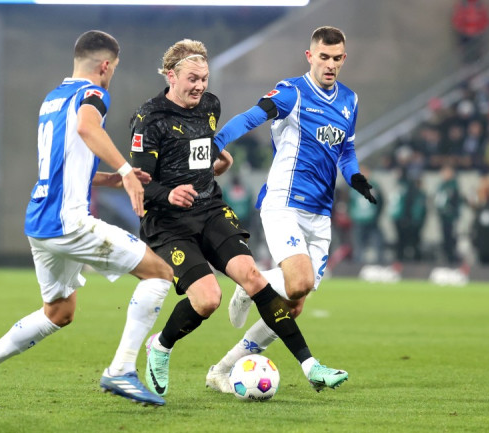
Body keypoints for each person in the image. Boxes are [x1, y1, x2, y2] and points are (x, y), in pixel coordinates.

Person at [0, 30, 174, 408]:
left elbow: (63, 163)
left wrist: (111, 178)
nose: (112, 75)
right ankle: (121, 370)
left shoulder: (53, 98)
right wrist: (125, 170)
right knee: (160, 273)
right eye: (114, 68)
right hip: (70, 223)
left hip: (41, 221)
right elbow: (87, 128)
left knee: (59, 312)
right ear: (105, 65)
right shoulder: (94, 94)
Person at [133, 38, 350, 399]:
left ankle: (311, 366)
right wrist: (168, 194)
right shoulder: (149, 118)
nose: (200, 86)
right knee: (208, 300)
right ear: (171, 75)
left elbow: (199, 153)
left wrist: (217, 163)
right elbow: (140, 181)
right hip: (168, 222)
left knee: (253, 278)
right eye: (192, 79)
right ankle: (161, 346)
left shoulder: (210, 106)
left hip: (209, 210)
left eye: (204, 78)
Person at [203, 26, 377, 393]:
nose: (330, 64)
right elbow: (251, 117)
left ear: (344, 59)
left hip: (320, 214)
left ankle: (222, 369)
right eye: (323, 57)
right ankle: (254, 283)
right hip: (285, 203)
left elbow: (346, 150)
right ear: (310, 56)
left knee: (293, 305)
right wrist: (216, 143)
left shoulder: (350, 100)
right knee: (300, 281)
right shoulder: (292, 92)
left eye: (337, 58)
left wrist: (355, 177)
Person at [348, 166, 384, 264]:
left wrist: (376, 216)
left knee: (376, 240)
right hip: (358, 219)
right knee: (358, 242)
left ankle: (378, 260)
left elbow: (381, 202)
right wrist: (351, 214)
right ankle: (357, 261)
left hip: (371, 219)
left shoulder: (374, 186)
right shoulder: (353, 186)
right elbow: (350, 202)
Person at [435, 165, 462, 264]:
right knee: (445, 236)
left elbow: (456, 201)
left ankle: (452, 256)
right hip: (443, 216)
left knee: (451, 236)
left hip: (451, 217)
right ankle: (446, 255)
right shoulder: (441, 186)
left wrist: (453, 213)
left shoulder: (453, 186)